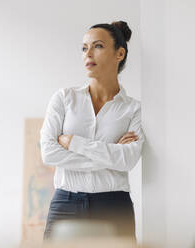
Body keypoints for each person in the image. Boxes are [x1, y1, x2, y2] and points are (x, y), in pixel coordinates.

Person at [40, 20, 145, 241]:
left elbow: (128, 160)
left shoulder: (134, 109)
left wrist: (73, 143)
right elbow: (49, 153)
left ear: (119, 54)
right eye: (84, 48)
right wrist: (110, 154)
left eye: (97, 46)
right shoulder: (64, 98)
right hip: (65, 204)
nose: (88, 54)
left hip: (114, 207)